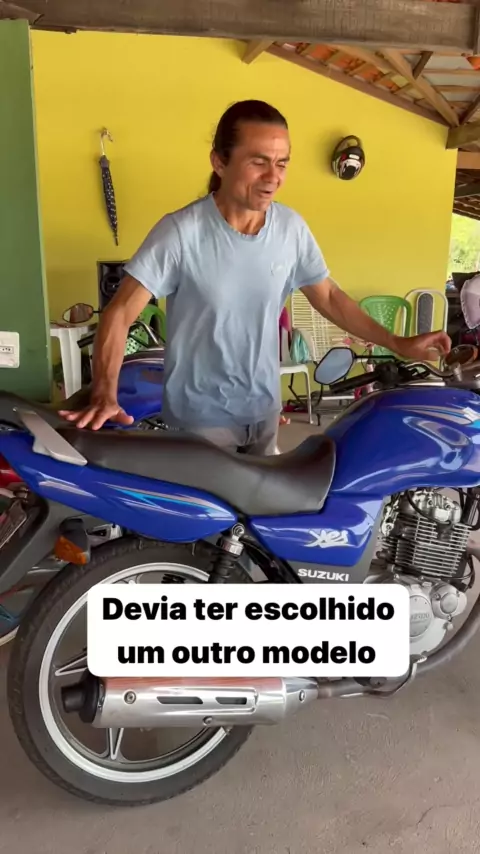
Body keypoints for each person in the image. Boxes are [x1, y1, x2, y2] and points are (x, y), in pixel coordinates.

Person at [60, 99, 451, 453]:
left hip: (263, 412)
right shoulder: (182, 232)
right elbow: (119, 313)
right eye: (258, 161)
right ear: (219, 162)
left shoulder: (291, 229)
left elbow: (330, 297)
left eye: (282, 163)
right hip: (200, 421)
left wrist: (396, 342)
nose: (272, 177)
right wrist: (104, 393)